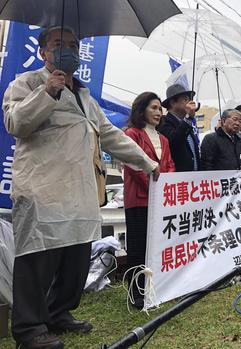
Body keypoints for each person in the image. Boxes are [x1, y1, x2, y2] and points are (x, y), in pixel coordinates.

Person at [3, 27, 160, 349]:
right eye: (59, 44)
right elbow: (16, 123)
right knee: (38, 259)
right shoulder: (27, 83)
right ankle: (29, 330)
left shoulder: (85, 95)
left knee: (74, 258)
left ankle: (58, 313)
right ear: (44, 51)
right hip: (42, 187)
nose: (69, 50)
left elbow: (111, 135)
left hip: (79, 189)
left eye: (74, 45)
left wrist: (147, 163)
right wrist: (46, 92)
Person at [123, 92, 175, 310]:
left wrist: (165, 189)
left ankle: (155, 288)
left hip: (159, 201)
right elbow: (134, 166)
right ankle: (136, 291)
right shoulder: (132, 134)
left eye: (159, 109)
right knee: (138, 247)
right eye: (153, 108)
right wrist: (155, 189)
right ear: (141, 109)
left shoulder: (163, 138)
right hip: (139, 200)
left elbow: (170, 165)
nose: (158, 112)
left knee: (156, 246)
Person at [157, 84, 200, 172]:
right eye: (185, 99)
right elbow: (174, 141)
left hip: (194, 180)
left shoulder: (187, 124)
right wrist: (188, 118)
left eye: (189, 99)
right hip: (177, 179)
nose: (189, 102)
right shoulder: (163, 122)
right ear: (173, 102)